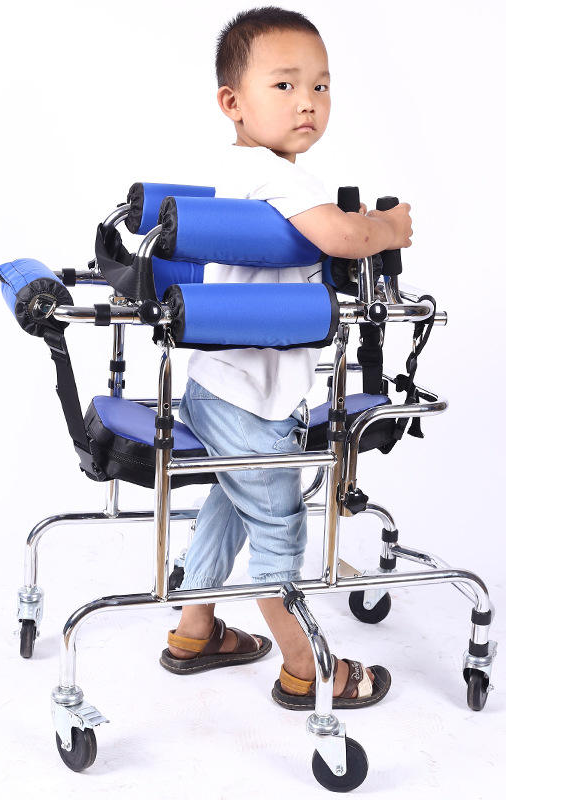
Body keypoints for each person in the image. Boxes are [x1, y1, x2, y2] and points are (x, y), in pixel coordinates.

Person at [159, 6, 413, 709]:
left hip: (217, 388)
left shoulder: (235, 171)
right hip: (250, 397)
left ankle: (195, 631)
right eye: (285, 85)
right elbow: (341, 236)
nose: (308, 101)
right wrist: (388, 226)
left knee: (229, 503)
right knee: (277, 526)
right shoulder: (282, 179)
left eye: (320, 86)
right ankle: (309, 670)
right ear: (232, 102)